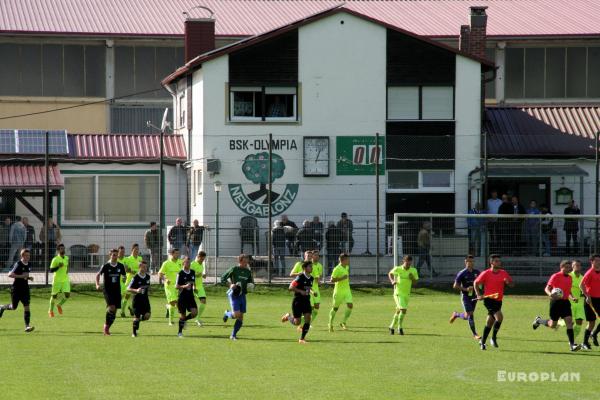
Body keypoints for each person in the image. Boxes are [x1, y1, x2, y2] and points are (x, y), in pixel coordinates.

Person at [532, 260, 581, 351]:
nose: (568, 269)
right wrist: (550, 294)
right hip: (555, 303)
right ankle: (539, 321)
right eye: (566, 267)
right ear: (561, 267)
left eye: (569, 267)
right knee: (553, 325)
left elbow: (568, 290)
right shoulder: (555, 276)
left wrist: (572, 297)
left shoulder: (570, 278)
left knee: (569, 322)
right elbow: (547, 288)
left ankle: (572, 345)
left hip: (565, 303)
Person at [474, 254, 515, 350]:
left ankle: (482, 342)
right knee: (499, 317)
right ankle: (493, 338)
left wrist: (508, 283)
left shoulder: (504, 273)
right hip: (489, 300)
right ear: (491, 262)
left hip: (498, 300)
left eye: (499, 261)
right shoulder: (486, 273)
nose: (499, 262)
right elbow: (476, 283)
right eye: (496, 261)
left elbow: (512, 284)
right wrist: (478, 294)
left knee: (489, 322)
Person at [0, 249, 35, 332]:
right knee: (14, 307)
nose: (28, 257)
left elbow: (25, 276)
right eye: (26, 255)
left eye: (29, 255)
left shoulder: (29, 264)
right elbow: (10, 274)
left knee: (27, 306)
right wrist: (22, 276)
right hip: (16, 289)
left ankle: (27, 326)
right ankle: (2, 307)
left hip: (25, 289)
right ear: (22, 256)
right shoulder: (18, 264)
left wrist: (29, 278)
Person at [221, 254, 254, 340]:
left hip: (242, 295)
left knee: (241, 317)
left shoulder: (248, 271)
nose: (246, 262)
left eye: (247, 261)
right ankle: (227, 313)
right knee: (236, 315)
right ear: (240, 261)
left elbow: (250, 283)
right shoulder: (234, 269)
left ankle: (233, 335)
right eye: (245, 261)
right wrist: (230, 284)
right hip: (234, 294)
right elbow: (222, 278)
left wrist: (251, 286)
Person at [95, 249, 126, 336]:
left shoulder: (121, 266)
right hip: (107, 290)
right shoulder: (106, 266)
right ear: (110, 256)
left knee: (114, 312)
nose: (115, 256)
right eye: (113, 255)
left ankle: (107, 327)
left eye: (116, 255)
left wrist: (124, 278)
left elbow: (124, 276)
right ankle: (106, 328)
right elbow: (97, 275)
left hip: (117, 290)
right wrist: (97, 284)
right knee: (112, 307)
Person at [281, 261, 314, 343]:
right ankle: (288, 316)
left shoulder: (311, 278)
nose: (311, 268)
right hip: (298, 301)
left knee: (308, 318)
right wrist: (300, 291)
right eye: (310, 266)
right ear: (305, 268)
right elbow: (290, 287)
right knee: (297, 322)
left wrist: (313, 292)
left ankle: (302, 339)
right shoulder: (300, 277)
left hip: (306, 301)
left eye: (311, 266)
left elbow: (308, 288)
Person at [449, 255, 481, 339]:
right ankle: (475, 334)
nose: (471, 263)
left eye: (472, 261)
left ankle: (456, 314)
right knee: (470, 314)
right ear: (465, 262)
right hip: (465, 297)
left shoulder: (477, 272)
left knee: (467, 316)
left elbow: (481, 283)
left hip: (474, 296)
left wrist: (479, 290)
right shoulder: (462, 273)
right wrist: (465, 289)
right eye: (469, 261)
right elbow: (455, 286)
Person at [388, 255, 418, 335]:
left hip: (406, 294)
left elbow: (415, 283)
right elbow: (390, 273)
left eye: (409, 263)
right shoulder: (398, 268)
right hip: (398, 294)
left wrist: (412, 278)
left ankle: (391, 327)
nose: (408, 265)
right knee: (403, 310)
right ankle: (400, 328)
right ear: (403, 261)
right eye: (407, 263)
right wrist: (392, 281)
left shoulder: (413, 270)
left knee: (398, 311)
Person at [290, 251, 323, 324]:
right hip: (303, 290)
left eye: (311, 256)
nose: (310, 257)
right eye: (308, 256)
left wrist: (319, 282)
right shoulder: (299, 264)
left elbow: (316, 277)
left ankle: (304, 322)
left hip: (313, 289)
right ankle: (304, 324)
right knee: (308, 308)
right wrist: (299, 274)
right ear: (305, 256)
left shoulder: (313, 266)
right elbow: (291, 274)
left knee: (316, 307)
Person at [579, 254, 600, 349]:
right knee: (591, 323)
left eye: (599, 260)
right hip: (591, 300)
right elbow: (581, 285)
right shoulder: (589, 272)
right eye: (596, 260)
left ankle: (594, 334)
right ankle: (585, 343)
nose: (598, 262)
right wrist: (587, 296)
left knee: (593, 323)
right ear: (591, 262)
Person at [328, 253, 353, 332]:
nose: (349, 261)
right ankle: (330, 323)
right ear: (343, 260)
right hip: (338, 291)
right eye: (347, 259)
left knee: (350, 305)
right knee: (335, 308)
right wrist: (342, 278)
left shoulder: (347, 267)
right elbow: (331, 280)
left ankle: (343, 322)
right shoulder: (337, 269)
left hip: (347, 290)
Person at [158, 248, 182, 326]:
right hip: (169, 286)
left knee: (176, 304)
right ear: (172, 254)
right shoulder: (166, 263)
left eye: (178, 253)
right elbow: (160, 273)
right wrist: (165, 279)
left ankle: (168, 307)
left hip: (178, 286)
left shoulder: (180, 262)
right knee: (174, 302)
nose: (178, 255)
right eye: (176, 254)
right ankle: (170, 321)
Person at [127, 260, 151, 337]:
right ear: (139, 267)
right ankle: (134, 333)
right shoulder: (135, 277)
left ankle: (137, 319)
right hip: (137, 300)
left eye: (146, 267)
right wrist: (136, 290)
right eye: (143, 267)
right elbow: (128, 288)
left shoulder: (148, 276)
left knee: (147, 316)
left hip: (145, 300)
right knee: (136, 318)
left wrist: (149, 290)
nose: (145, 268)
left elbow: (147, 286)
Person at [175, 256, 198, 338]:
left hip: (190, 297)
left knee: (195, 313)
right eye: (187, 262)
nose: (188, 264)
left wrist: (195, 287)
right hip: (182, 297)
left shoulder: (192, 272)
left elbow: (193, 282)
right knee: (182, 315)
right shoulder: (180, 273)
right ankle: (179, 333)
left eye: (189, 262)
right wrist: (184, 286)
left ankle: (184, 321)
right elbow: (176, 286)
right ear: (183, 263)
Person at [121, 244, 143, 317]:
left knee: (137, 297)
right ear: (132, 249)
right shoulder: (128, 259)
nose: (136, 250)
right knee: (127, 296)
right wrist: (130, 271)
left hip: (138, 281)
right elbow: (126, 269)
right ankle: (122, 312)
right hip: (130, 280)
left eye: (137, 249)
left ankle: (132, 308)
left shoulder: (140, 258)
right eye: (135, 249)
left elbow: (142, 268)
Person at [48, 244, 70, 318]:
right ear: (58, 250)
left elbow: (67, 266)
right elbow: (51, 270)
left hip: (65, 280)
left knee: (67, 295)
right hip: (57, 280)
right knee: (54, 296)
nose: (63, 250)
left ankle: (59, 305)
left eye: (63, 248)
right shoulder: (55, 259)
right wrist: (58, 266)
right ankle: (50, 310)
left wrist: (66, 272)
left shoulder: (66, 258)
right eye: (61, 249)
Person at [191, 251, 207, 326]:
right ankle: (169, 307)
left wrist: (203, 275)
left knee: (203, 301)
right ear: (198, 256)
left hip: (200, 287)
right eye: (201, 259)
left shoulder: (201, 265)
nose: (202, 261)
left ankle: (197, 318)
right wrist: (193, 285)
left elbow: (198, 275)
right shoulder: (192, 264)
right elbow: (191, 275)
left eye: (203, 259)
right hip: (191, 286)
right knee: (180, 304)